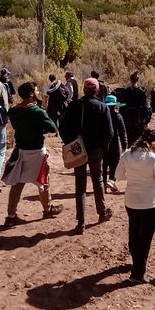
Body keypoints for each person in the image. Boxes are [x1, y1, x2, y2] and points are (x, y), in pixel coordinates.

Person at [2, 81, 63, 227]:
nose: (37, 92)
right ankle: (47, 209)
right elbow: (52, 128)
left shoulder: (13, 111)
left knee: (17, 183)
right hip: (36, 151)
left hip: (21, 150)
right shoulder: (37, 111)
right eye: (35, 91)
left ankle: (11, 216)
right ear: (31, 94)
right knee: (43, 181)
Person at [59, 76, 114, 232]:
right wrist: (103, 147)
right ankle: (102, 212)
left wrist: (70, 142)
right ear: (97, 90)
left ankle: (81, 222)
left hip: (78, 150)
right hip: (96, 150)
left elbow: (62, 127)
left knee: (80, 185)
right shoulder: (102, 107)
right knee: (98, 181)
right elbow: (109, 132)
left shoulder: (74, 106)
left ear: (83, 89)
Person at [115, 130, 155, 284]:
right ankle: (138, 273)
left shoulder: (126, 155)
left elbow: (119, 176)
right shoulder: (153, 158)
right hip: (149, 203)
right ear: (153, 143)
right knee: (145, 239)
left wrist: (133, 176)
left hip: (131, 202)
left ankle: (136, 263)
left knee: (134, 232)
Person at [103, 93, 128, 192]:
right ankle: (111, 181)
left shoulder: (101, 116)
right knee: (115, 164)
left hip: (103, 144)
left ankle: (103, 184)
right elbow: (123, 132)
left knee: (103, 165)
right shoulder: (118, 116)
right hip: (114, 144)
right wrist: (124, 145)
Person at [120, 72, 150, 147]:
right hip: (138, 119)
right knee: (139, 139)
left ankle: (131, 156)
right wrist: (146, 121)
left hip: (128, 119)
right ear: (137, 81)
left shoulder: (125, 92)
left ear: (130, 80)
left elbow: (122, 107)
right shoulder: (141, 92)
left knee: (130, 140)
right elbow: (145, 107)